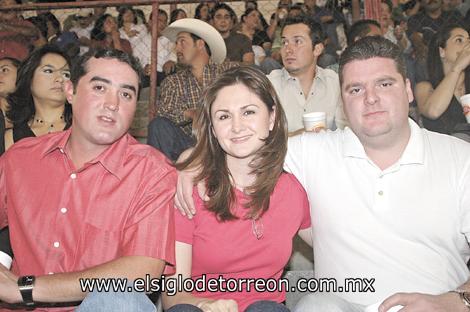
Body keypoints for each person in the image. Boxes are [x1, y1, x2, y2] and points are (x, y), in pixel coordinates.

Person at [175, 36, 470, 312]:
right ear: (342, 100)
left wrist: (457, 300)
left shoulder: (460, 160)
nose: (370, 98)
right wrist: (193, 161)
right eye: (356, 89)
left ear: (407, 89)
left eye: (384, 84)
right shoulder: (312, 153)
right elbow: (242, 147)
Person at [0, 49, 175, 310]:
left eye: (126, 94)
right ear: (70, 92)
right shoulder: (20, 160)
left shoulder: (152, 171)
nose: (113, 103)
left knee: (120, 301)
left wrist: (25, 288)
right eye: (100, 88)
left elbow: (143, 272)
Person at [163, 66, 311, 312]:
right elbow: (173, 295)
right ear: (212, 128)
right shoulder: (190, 191)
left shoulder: (292, 190)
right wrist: (207, 304)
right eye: (224, 116)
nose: (237, 126)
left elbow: (336, 242)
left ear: (272, 118)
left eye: (249, 112)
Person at [146, 18, 236, 162]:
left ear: (200, 44)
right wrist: (190, 113)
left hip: (225, 142)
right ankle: (162, 182)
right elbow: (164, 114)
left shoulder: (228, 72)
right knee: (158, 125)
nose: (177, 49)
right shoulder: (173, 81)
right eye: (176, 44)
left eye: (182, 42)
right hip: (190, 146)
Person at [267, 15, 347, 133]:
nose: (288, 49)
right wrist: (297, 136)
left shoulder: (335, 84)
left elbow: (345, 133)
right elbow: (260, 139)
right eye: (284, 42)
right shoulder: (268, 86)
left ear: (317, 49)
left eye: (297, 41)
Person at [4, 45, 72, 152]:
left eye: (66, 74)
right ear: (29, 79)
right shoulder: (11, 137)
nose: (60, 79)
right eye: (49, 71)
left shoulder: (84, 130)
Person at [415, 24, 468, 134]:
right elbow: (433, 111)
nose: (467, 45)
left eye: (469, 40)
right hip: (444, 147)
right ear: (442, 51)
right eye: (459, 40)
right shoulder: (425, 87)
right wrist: (456, 68)